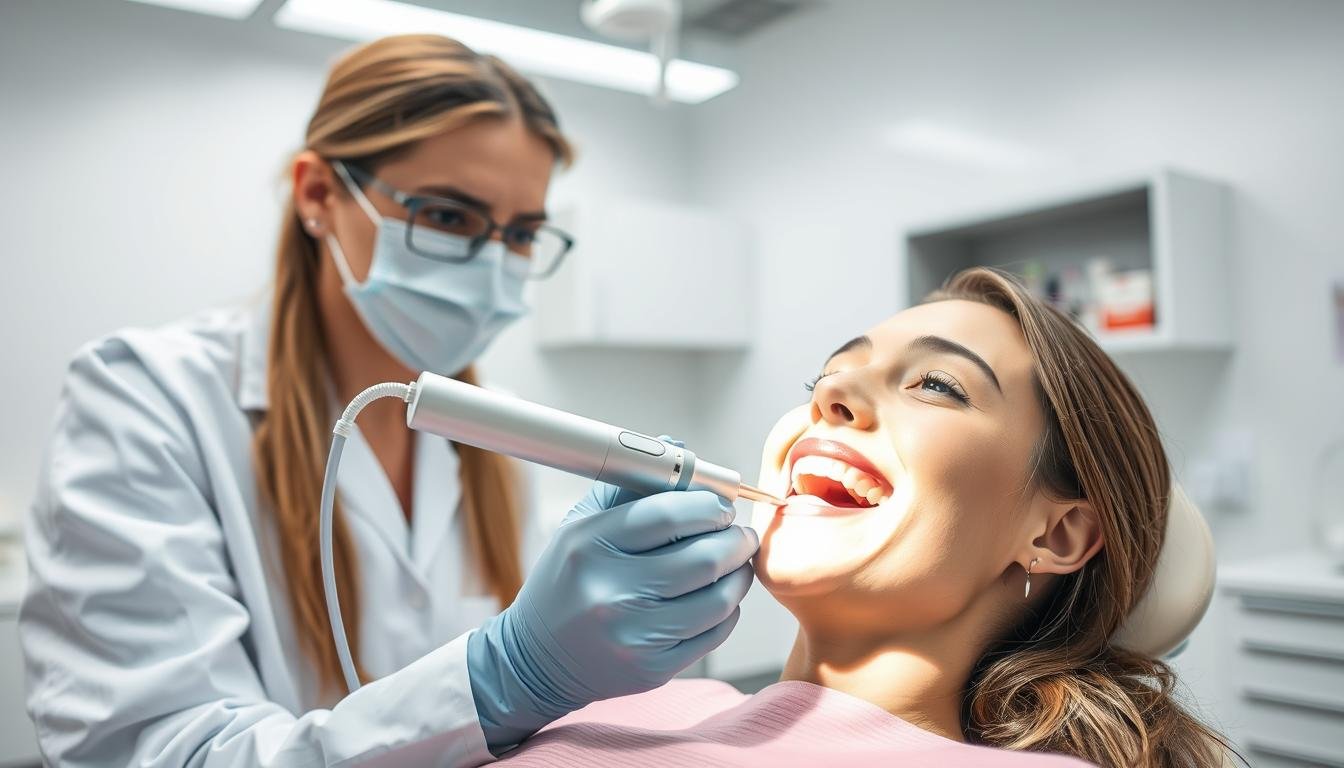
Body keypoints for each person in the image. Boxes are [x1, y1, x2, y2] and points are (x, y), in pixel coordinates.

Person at [19, 34, 756, 766]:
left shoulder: (496, 440)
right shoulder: (147, 400)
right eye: (447, 217)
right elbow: (155, 753)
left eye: (523, 232)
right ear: (319, 194)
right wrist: (507, 677)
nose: (493, 263)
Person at [467, 268, 1237, 768]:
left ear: (1055, 534)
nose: (829, 401)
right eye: (828, 377)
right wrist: (508, 679)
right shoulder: (616, 700)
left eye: (937, 385)